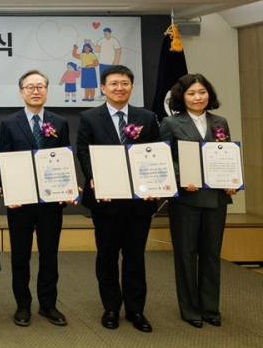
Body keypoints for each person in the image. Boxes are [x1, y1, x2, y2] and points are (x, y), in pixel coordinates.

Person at [76, 65, 160, 333]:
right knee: (107, 256)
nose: (119, 88)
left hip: (139, 200)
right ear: (103, 88)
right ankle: (111, 308)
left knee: (135, 256)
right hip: (106, 199)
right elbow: (83, 151)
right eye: (113, 83)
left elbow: (156, 151)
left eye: (124, 83)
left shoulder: (146, 117)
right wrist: (93, 177)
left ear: (132, 87)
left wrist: (157, 182)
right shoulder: (90, 117)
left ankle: (136, 310)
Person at [160, 73, 237, 328]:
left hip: (216, 199)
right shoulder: (171, 123)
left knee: (212, 255)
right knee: (186, 255)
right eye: (191, 93)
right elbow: (164, 158)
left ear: (209, 94)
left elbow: (225, 155)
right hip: (186, 199)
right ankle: (190, 308)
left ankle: (210, 308)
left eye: (202, 92)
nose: (198, 97)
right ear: (182, 96)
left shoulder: (220, 121)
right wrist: (182, 177)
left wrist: (232, 180)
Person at [0, 70, 72, 327]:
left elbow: (65, 158)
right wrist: (8, 191)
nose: (35, 91)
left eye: (40, 86)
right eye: (30, 87)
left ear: (47, 91)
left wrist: (68, 188)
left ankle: (48, 304)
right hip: (21, 202)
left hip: (51, 202)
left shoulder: (59, 122)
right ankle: (23, 304)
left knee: (49, 255)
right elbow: (4, 160)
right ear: (21, 92)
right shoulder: (10, 123)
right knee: (20, 256)